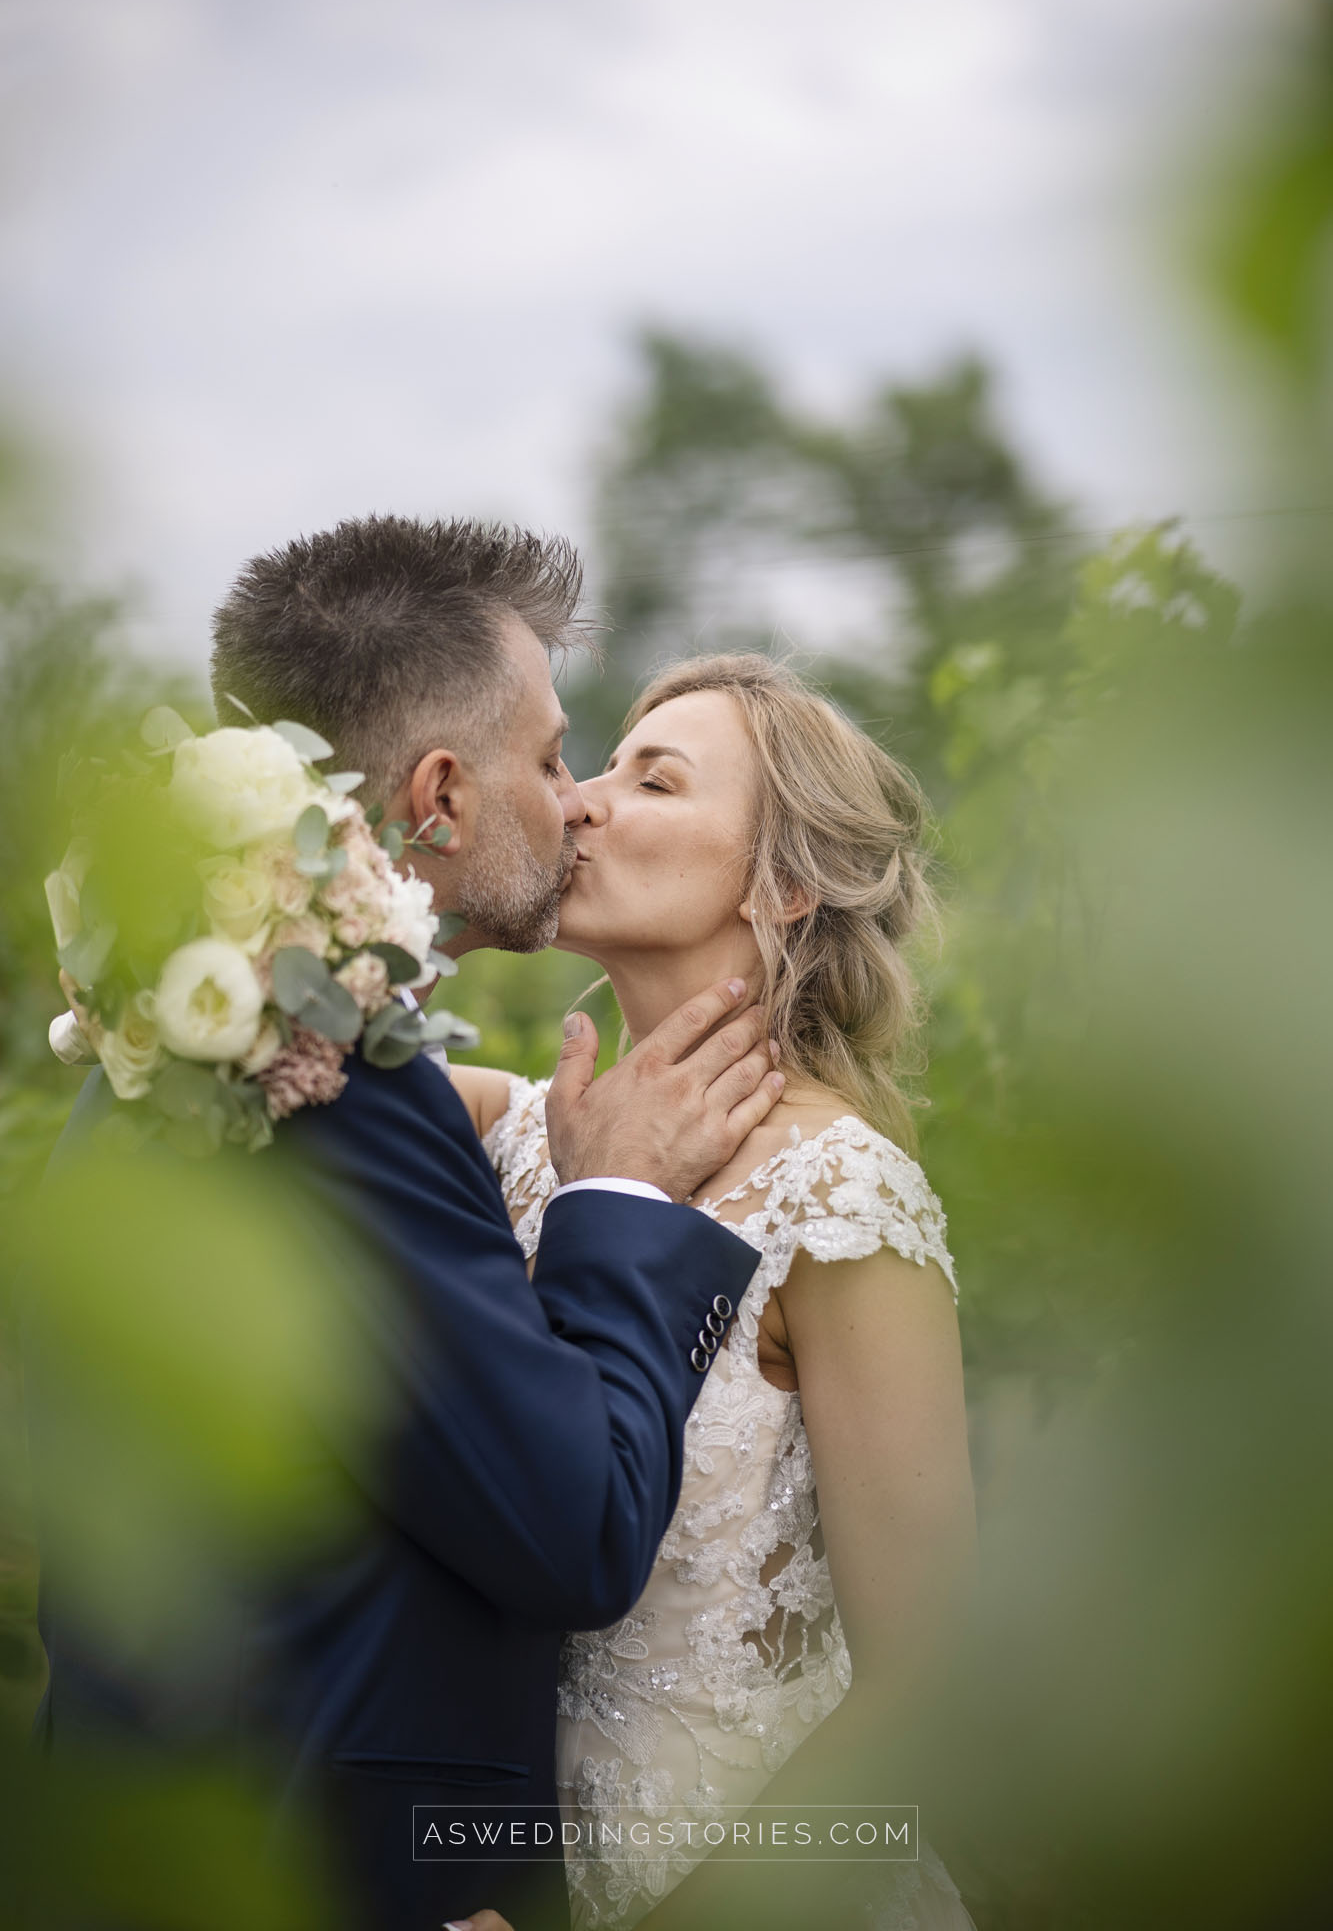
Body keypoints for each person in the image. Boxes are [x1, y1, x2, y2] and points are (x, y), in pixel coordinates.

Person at [24, 519, 789, 1931]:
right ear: (440, 793)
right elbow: (576, 1530)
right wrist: (618, 1196)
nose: (577, 803)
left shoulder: (175, 1036)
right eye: (552, 759)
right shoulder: (331, 1089)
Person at [449, 653, 979, 1931]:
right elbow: (317, 1031)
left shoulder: (840, 1197)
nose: (577, 800)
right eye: (588, 766)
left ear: (782, 884)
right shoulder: (508, 1135)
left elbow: (929, 1682)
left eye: (653, 780)